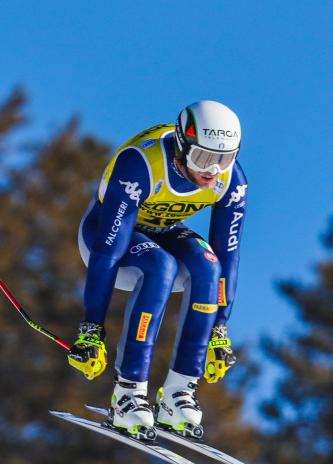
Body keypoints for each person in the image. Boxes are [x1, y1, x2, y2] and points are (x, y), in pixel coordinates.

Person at [67, 100, 246, 440]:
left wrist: (219, 329)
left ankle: (178, 393)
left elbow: (229, 253)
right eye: (204, 158)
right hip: (104, 239)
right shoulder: (141, 164)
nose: (213, 170)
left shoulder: (231, 181)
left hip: (162, 230)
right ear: (182, 145)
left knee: (209, 267)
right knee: (160, 266)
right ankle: (128, 394)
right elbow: (108, 250)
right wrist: (92, 327)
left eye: (224, 160)